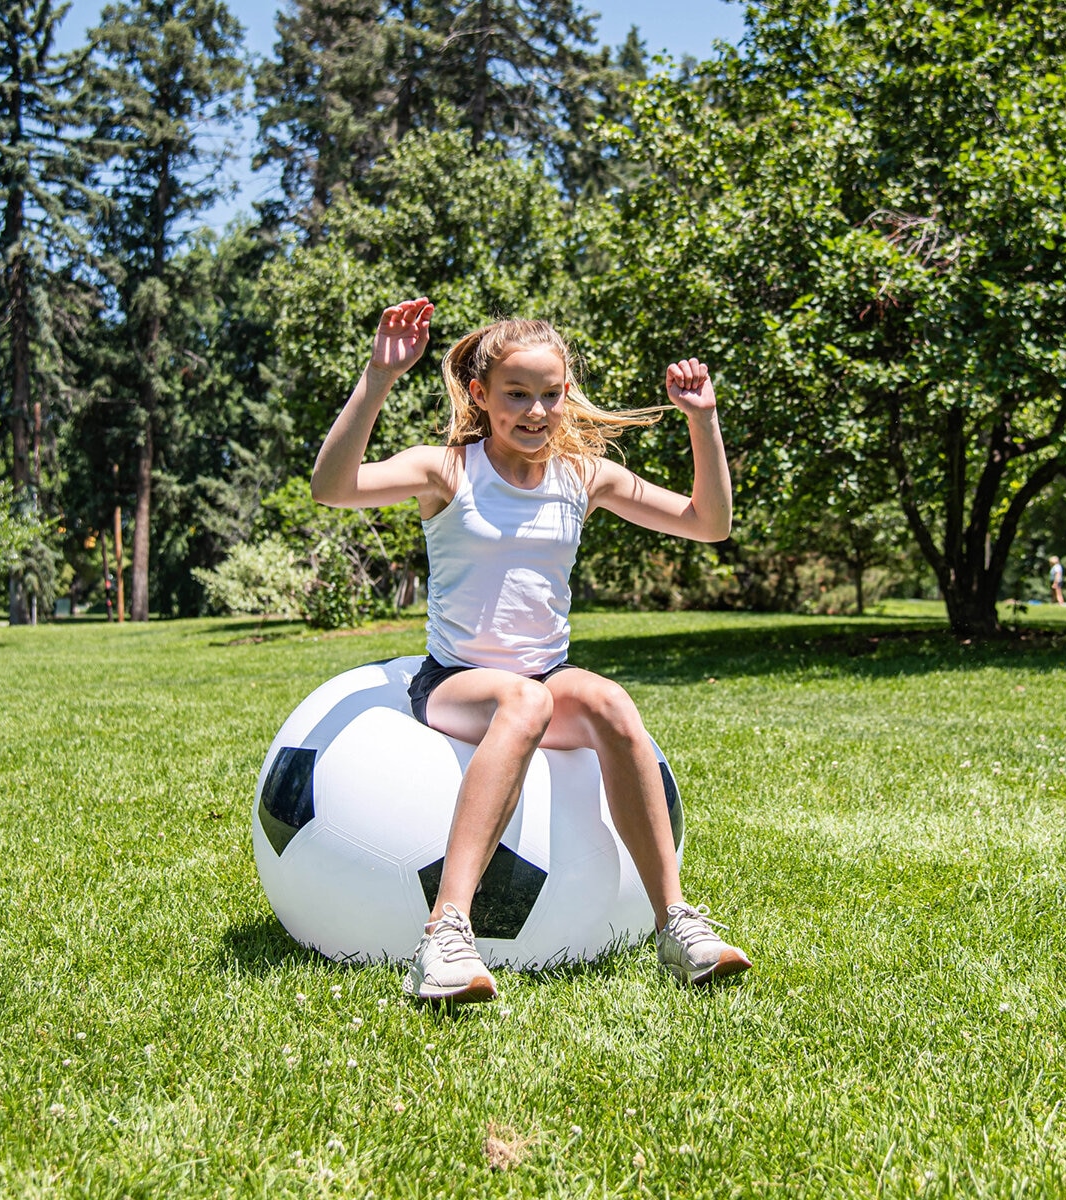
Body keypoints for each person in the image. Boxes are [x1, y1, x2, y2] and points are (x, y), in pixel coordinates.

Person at [311, 297, 751, 1003]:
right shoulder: (446, 471)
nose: (536, 410)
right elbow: (332, 488)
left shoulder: (583, 476)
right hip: (455, 681)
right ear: (481, 396)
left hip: (547, 675)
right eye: (517, 394)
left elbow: (709, 523)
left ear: (566, 393)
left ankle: (676, 921)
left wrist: (704, 421)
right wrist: (378, 377)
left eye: (550, 394)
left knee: (606, 698)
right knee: (522, 699)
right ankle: (446, 934)